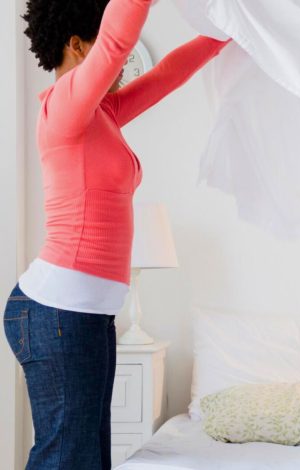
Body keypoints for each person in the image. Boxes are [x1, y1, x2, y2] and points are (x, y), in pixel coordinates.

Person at [3, 0, 230, 468]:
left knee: (87, 457)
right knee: (67, 457)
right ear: (75, 46)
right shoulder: (65, 106)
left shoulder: (101, 113)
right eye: (105, 53)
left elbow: (167, 73)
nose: (121, 64)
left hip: (84, 317)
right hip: (58, 314)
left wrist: (226, 34)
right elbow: (116, 41)